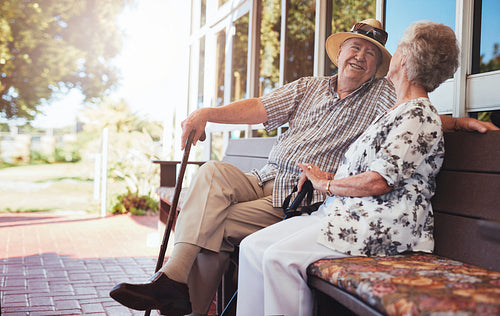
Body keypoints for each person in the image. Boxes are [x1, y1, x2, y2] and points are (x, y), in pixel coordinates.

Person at [109, 19, 497, 316]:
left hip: (299, 194)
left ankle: (180, 299)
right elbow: (259, 107)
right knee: (210, 173)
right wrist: (207, 113)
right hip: (262, 178)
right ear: (340, 51)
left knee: (211, 226)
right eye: (355, 47)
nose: (360, 57)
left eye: (371, 53)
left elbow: (417, 116)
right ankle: (174, 283)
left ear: (382, 65)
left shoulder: (382, 96)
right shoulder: (309, 86)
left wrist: (461, 122)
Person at [236, 20, 464, 316]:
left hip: (383, 224)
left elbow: (379, 182)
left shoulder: (419, 115)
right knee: (253, 248)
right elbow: (372, 171)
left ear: (406, 57)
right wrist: (328, 177)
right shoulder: (395, 111)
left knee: (279, 258)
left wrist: (325, 186)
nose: (392, 56)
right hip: (347, 213)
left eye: (397, 49)